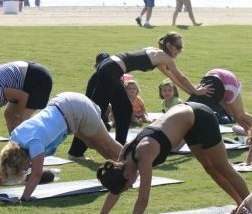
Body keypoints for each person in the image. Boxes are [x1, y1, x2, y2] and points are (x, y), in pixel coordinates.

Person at [80, 102, 250, 214]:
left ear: (126, 175)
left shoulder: (143, 154)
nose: (132, 185)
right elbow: (114, 192)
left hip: (199, 116)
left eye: (128, 185)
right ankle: (240, 204)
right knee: (209, 168)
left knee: (222, 167)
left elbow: (143, 199)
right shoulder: (123, 157)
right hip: (186, 124)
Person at [75, 32, 211, 149]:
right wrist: (196, 91)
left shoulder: (159, 55)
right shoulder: (165, 57)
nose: (180, 51)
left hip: (110, 68)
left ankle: (118, 148)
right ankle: (77, 151)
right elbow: (180, 76)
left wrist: (192, 92)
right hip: (110, 70)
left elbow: (173, 77)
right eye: (178, 47)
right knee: (96, 111)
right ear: (169, 45)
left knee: (123, 109)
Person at [0, 92, 121, 202]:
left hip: (75, 108)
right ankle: (122, 171)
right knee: (93, 144)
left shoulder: (34, 144)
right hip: (64, 105)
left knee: (106, 145)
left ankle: (132, 167)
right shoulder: (14, 141)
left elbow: (36, 174)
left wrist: (24, 198)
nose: (25, 169)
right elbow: (3, 167)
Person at [188, 68, 252, 134]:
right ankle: (248, 132)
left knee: (240, 115)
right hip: (215, 78)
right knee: (232, 115)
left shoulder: (230, 89)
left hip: (228, 82)